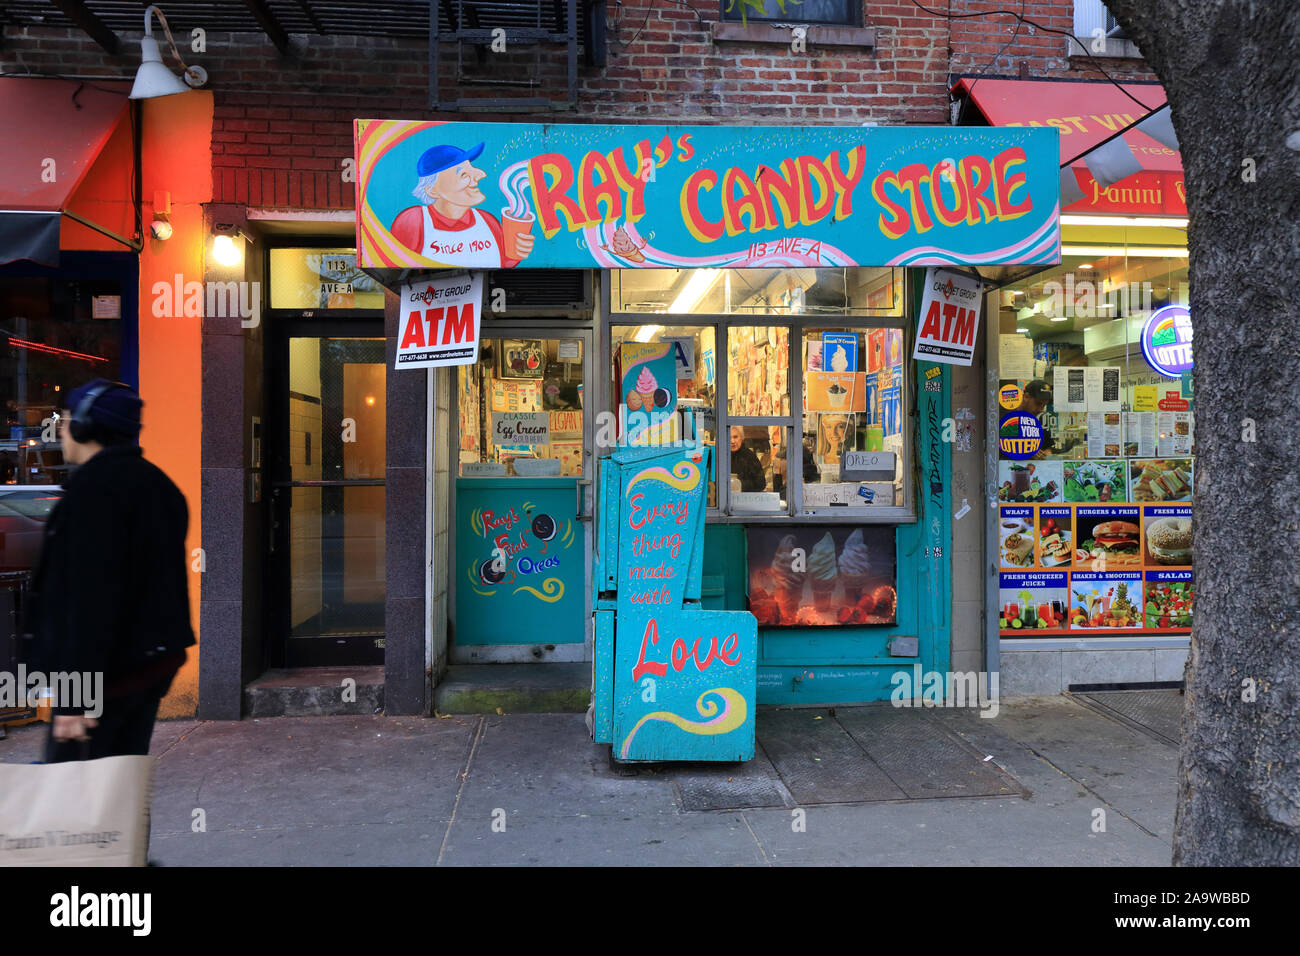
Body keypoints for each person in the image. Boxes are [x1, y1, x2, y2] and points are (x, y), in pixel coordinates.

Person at [26, 379, 195, 762]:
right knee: (118, 789)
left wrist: (73, 699)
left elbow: (91, 600)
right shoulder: (160, 486)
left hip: (106, 679)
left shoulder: (93, 492)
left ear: (86, 425)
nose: (62, 430)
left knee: (75, 802)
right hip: (149, 667)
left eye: (66, 419)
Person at [389, 142, 534, 268]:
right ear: (432, 190)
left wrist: (517, 251)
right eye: (464, 174)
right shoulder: (413, 221)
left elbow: (502, 262)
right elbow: (395, 263)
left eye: (472, 169)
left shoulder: (487, 221)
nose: (480, 174)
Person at [1016, 379, 1057, 460]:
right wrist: (1026, 453)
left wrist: (1046, 453)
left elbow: (1048, 446)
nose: (1041, 409)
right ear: (1026, 397)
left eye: (1044, 405)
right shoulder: (1009, 419)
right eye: (1038, 403)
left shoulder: (1040, 419)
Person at [729, 426, 765, 493]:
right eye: (729, 437)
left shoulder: (750, 457)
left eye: (735, 437)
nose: (732, 441)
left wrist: (739, 484)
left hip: (745, 499)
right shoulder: (721, 456)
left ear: (742, 438)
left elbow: (761, 484)